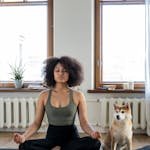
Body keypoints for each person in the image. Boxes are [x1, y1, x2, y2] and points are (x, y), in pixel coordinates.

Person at [13, 56, 101, 150]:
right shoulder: (44, 95)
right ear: (52, 73)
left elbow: (84, 123)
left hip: (71, 140)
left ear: (70, 73)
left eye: (65, 71)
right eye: (57, 71)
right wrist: (24, 137)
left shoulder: (78, 95)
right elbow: (36, 123)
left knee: (95, 143)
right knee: (24, 146)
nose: (61, 73)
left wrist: (92, 133)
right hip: (51, 139)